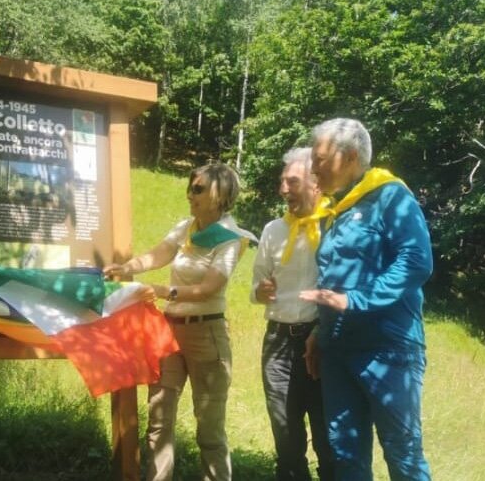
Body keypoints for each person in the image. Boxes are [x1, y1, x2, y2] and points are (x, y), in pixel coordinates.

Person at [299, 118, 433, 480]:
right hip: (338, 351)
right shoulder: (334, 210)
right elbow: (334, 278)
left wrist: (356, 300)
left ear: (351, 156)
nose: (313, 168)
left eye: (321, 159)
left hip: (387, 350)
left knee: (402, 454)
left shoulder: (391, 197)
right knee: (345, 455)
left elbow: (416, 261)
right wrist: (318, 329)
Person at [105, 162, 253, 481]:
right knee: (158, 421)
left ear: (220, 193)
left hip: (206, 334)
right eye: (189, 186)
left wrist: (162, 290)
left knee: (210, 429)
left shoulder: (230, 237)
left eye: (198, 188)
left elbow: (209, 288)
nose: (189, 194)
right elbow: (158, 254)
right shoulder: (186, 226)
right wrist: (127, 267)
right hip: (168, 332)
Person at [251, 147, 334, 480]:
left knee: (329, 435)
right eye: (282, 181)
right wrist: (260, 292)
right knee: (286, 435)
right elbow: (256, 288)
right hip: (279, 343)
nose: (283, 189)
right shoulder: (273, 230)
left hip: (323, 340)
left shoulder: (335, 226)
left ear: (315, 182)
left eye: (292, 181)